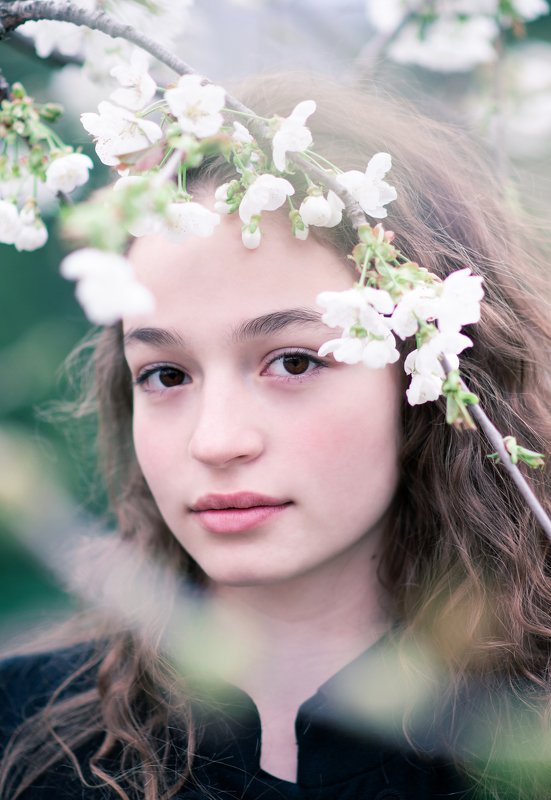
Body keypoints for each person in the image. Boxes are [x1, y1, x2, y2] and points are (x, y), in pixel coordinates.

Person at [1, 72, 551, 800]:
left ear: (428, 375)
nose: (216, 441)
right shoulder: (20, 740)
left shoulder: (527, 735)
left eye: (293, 362)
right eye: (166, 375)